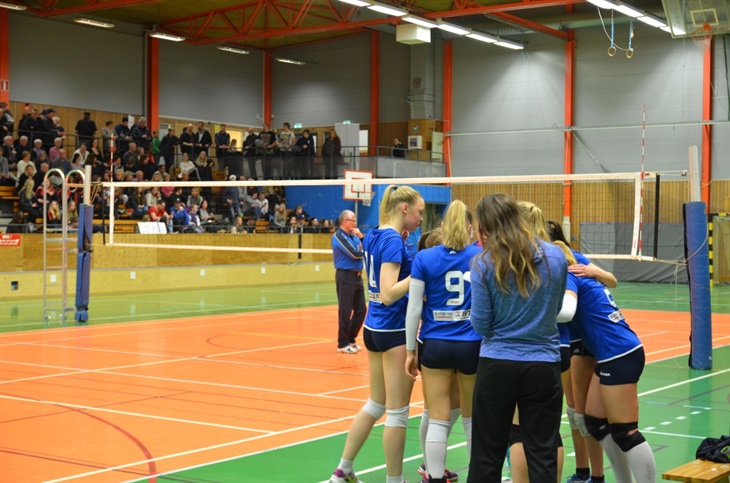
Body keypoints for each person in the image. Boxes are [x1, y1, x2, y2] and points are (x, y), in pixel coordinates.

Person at [467, 192, 568, 483]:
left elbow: (481, 324)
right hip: (543, 365)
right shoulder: (555, 257)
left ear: (485, 226)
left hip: (497, 364)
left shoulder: (483, 262)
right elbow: (556, 309)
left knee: (487, 455)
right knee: (543, 453)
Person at [328, 184, 424, 483]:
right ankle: (395, 480)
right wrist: (421, 272)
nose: (421, 218)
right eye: (419, 212)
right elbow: (388, 292)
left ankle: (342, 470)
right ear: (404, 209)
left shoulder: (373, 234)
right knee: (397, 413)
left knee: (376, 403)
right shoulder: (393, 240)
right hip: (394, 331)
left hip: (373, 328)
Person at [554, 242, 656, 483]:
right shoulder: (583, 274)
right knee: (596, 423)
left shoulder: (570, 277)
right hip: (611, 355)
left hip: (620, 354)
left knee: (626, 431)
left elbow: (566, 312)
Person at [405, 200, 482, 483]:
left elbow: (414, 308)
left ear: (443, 226)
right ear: (470, 227)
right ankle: (478, 477)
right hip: (472, 344)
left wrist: (410, 351)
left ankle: (435, 477)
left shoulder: (424, 258)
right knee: (472, 419)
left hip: (435, 344)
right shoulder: (481, 256)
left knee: (438, 417)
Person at [331, 210, 366, 354]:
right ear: (345, 222)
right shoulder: (339, 236)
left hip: (357, 276)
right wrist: (365, 250)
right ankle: (342, 343)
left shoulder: (355, 236)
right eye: (353, 220)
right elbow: (355, 254)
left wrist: (361, 237)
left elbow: (364, 249)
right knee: (345, 311)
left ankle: (351, 339)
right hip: (345, 276)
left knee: (361, 310)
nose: (355, 223)